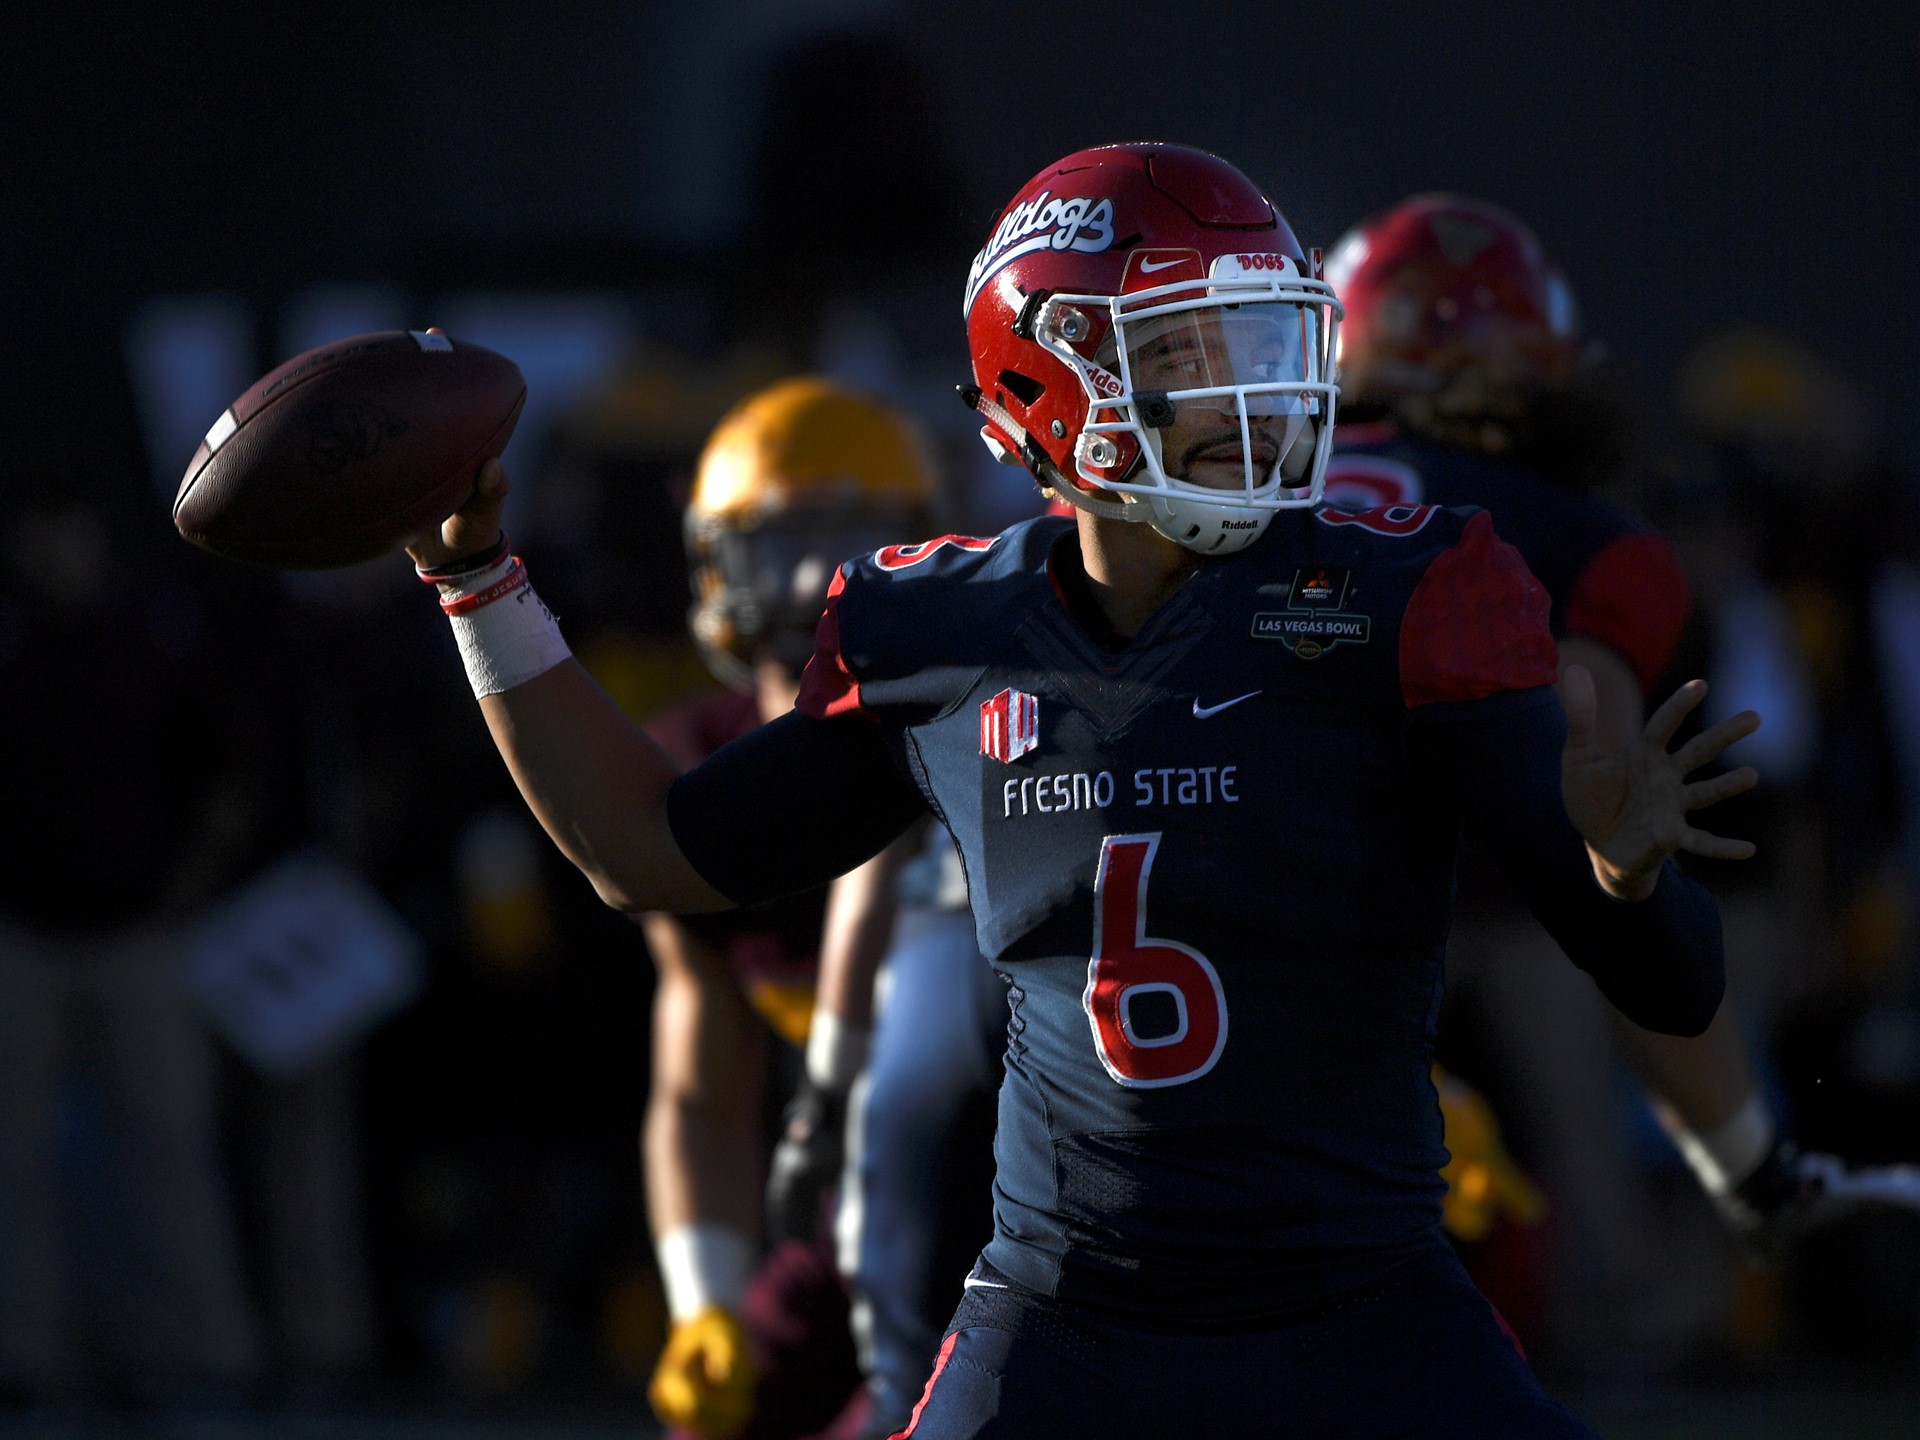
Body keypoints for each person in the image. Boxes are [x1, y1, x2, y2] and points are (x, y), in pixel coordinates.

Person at [402, 145, 1759, 1437]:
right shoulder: (934, 630)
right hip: (1067, 1316)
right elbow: (652, 850)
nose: (1250, 395)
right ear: (1046, 387)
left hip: (1363, 1305)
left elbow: (1669, 982)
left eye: (1261, 340)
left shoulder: (1412, 596)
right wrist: (478, 584)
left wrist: (1627, 882)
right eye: (1186, 351)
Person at [1320, 194, 1920, 1255]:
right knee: (1625, 922)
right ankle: (1717, 1206)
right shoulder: (1591, 535)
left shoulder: (1230, 488)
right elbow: (1585, 773)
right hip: (1499, 895)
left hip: (1259, 889)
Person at [637, 376, 933, 1440]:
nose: (815, 577)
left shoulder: (978, 723)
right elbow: (700, 1088)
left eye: (851, 539)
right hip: (838, 1214)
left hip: (1017, 1209)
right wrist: (702, 1298)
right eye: (782, 542)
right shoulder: (694, 766)